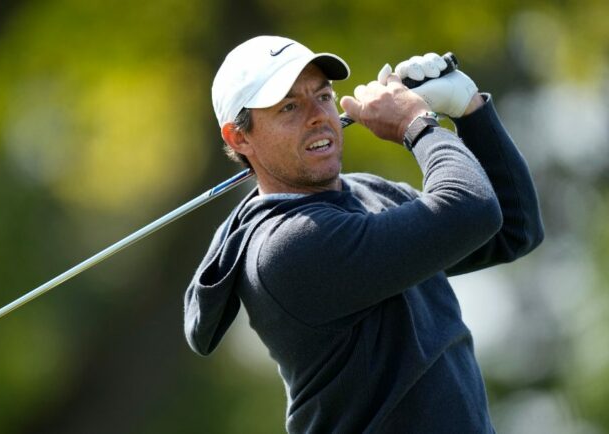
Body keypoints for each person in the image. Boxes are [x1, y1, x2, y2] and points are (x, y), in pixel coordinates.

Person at [183, 35, 544, 433]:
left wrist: (470, 110)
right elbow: (470, 208)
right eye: (289, 106)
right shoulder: (287, 247)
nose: (318, 116)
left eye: (322, 96)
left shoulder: (371, 193)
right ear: (239, 137)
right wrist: (417, 125)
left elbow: (512, 228)